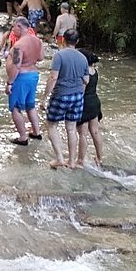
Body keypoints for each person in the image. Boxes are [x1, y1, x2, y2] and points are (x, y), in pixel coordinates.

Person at [41, 29, 89, 168]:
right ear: (77, 41)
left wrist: (44, 98)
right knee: (71, 128)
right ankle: (72, 161)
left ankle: (60, 158)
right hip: (77, 96)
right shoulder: (83, 58)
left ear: (63, 39)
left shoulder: (59, 56)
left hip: (61, 94)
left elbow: (53, 77)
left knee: (52, 125)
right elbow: (86, 80)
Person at [6, 17, 44, 145]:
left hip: (21, 77)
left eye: (13, 27)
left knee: (15, 108)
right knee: (30, 105)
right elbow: (40, 58)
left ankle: (23, 137)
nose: (13, 30)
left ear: (19, 26)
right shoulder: (37, 41)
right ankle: (36, 132)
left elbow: (17, 65)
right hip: (33, 75)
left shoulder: (19, 45)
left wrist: (10, 83)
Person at [76, 49, 104, 166]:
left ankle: (81, 160)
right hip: (95, 101)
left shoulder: (84, 72)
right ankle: (99, 157)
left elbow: (81, 90)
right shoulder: (95, 71)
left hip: (85, 102)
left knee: (83, 133)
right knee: (95, 131)